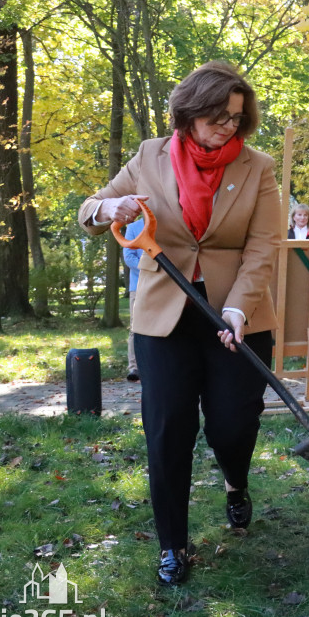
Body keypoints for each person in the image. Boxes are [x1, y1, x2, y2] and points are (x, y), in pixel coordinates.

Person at [76, 61, 280, 586]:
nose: (228, 126)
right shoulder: (149, 156)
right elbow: (90, 210)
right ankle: (174, 544)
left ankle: (236, 482)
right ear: (188, 113)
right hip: (163, 318)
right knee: (168, 431)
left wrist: (237, 308)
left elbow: (263, 249)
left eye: (236, 117)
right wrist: (110, 208)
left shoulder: (258, 168)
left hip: (236, 315)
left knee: (234, 425)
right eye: (217, 116)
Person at [122, 219, 144, 382]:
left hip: (163, 286)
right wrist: (150, 268)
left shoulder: (167, 224)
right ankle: (134, 367)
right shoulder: (133, 227)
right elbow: (129, 257)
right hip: (138, 285)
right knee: (136, 326)